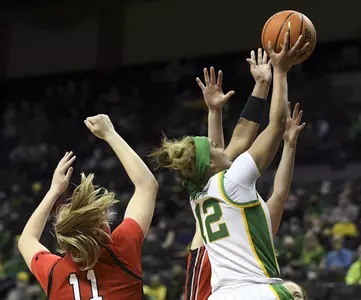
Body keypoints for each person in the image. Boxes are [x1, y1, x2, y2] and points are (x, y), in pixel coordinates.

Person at [152, 32, 309, 300]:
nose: (221, 147)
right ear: (211, 163)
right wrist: (280, 73)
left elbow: (234, 141)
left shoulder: (197, 193)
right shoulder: (233, 180)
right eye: (215, 149)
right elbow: (275, 126)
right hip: (257, 290)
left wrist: (257, 87)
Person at [17, 114, 159, 299]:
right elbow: (147, 185)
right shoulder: (121, 250)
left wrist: (54, 191)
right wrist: (109, 133)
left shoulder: (53, 273)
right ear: (101, 231)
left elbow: (26, 240)